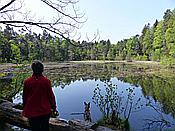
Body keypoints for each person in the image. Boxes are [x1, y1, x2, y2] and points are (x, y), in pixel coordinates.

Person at [22, 60, 58, 131]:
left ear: (33, 69)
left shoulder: (27, 82)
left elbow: (25, 97)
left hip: (31, 112)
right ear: (42, 69)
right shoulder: (46, 81)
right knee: (45, 128)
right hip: (44, 111)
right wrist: (54, 108)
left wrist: (24, 108)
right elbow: (51, 96)